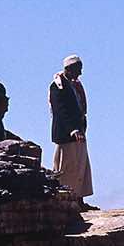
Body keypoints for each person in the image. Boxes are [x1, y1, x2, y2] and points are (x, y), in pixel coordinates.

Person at [48, 54, 93, 199]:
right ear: (70, 68)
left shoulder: (75, 86)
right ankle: (66, 199)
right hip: (66, 135)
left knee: (80, 168)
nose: (80, 73)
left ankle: (78, 198)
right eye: (78, 69)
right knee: (66, 168)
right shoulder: (57, 85)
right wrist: (72, 129)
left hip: (78, 134)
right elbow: (60, 110)